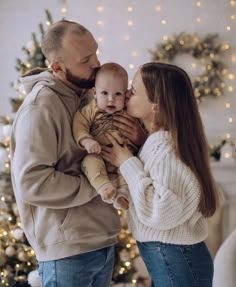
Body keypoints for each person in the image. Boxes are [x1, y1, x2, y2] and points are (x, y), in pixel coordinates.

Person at [10, 20, 145, 287]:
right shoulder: (41, 107)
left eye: (96, 52)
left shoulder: (92, 94)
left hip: (102, 241)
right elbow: (32, 182)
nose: (97, 63)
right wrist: (100, 184)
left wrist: (138, 139)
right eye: (86, 59)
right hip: (68, 253)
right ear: (58, 67)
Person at [102, 62, 219, 287]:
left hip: (176, 259)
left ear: (155, 106)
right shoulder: (162, 144)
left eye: (133, 91)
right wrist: (141, 143)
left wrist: (126, 161)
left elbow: (162, 210)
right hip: (174, 259)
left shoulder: (167, 151)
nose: (126, 94)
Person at [73, 62, 138, 211]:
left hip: (124, 156)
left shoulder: (128, 111)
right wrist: (87, 140)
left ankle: (123, 195)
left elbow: (141, 129)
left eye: (118, 94)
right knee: (89, 162)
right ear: (95, 93)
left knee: (129, 167)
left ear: (126, 94)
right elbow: (79, 124)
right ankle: (104, 187)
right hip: (99, 152)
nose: (111, 99)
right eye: (105, 93)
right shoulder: (90, 110)